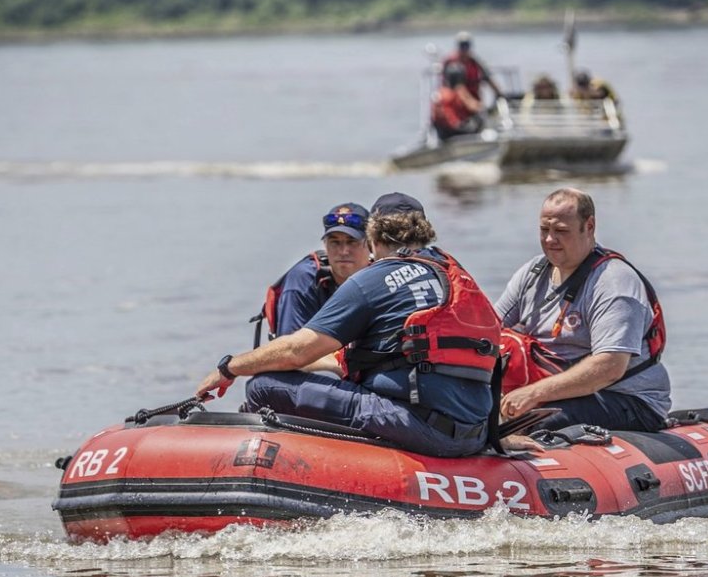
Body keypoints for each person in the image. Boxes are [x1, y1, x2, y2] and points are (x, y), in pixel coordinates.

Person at [198, 192, 501, 458]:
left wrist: (230, 368)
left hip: (419, 426)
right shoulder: (454, 274)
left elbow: (296, 350)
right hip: (474, 432)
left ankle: (279, 463)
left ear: (372, 238)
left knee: (263, 387)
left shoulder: (373, 279)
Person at [494, 187, 670, 436]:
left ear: (589, 226)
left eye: (561, 231)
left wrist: (533, 393)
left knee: (531, 425)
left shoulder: (614, 282)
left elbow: (609, 367)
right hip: (553, 388)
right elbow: (488, 330)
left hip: (624, 397)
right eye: (544, 230)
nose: (549, 240)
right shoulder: (532, 273)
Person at [250, 202, 371, 347]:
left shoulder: (383, 276)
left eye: (352, 242)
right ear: (325, 245)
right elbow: (288, 351)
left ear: (370, 244)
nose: (343, 251)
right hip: (317, 364)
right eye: (335, 242)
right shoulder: (303, 280)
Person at [442, 31, 504, 103]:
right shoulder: (451, 62)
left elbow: (487, 77)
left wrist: (499, 94)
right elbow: (452, 86)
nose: (464, 49)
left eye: (466, 45)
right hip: (456, 100)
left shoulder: (475, 62)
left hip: (474, 97)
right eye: (462, 46)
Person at [430, 62, 483, 141]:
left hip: (442, 133)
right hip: (455, 130)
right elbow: (474, 108)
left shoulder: (440, 92)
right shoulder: (458, 92)